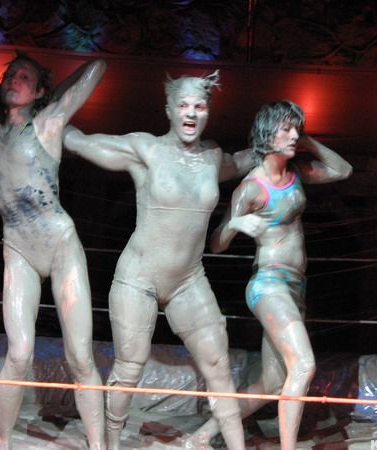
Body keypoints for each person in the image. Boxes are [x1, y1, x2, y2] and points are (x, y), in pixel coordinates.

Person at [62, 70, 255, 450]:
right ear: (168, 110)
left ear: (208, 112)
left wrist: (277, 143)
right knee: (129, 368)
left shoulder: (213, 157)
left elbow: (242, 161)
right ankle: (109, 446)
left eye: (199, 106)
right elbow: (80, 142)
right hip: (139, 278)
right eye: (183, 105)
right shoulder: (145, 149)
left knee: (218, 364)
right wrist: (47, 119)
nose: (191, 113)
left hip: (188, 280)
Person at [187, 100, 353, 450]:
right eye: (287, 129)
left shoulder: (297, 173)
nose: (294, 135)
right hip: (269, 285)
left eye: (297, 129)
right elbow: (216, 243)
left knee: (271, 384)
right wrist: (236, 223)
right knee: (303, 365)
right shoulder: (251, 188)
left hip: (295, 287)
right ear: (266, 134)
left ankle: (201, 436)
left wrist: (306, 140)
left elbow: (342, 170)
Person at [0, 51, 107, 450]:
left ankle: (99, 445)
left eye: (24, 77)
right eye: (10, 74)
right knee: (19, 354)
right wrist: (27, 84)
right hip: (18, 248)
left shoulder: (49, 122)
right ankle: (1, 441)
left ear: (39, 92)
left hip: (60, 247)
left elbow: (98, 67)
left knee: (81, 358)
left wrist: (48, 94)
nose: (13, 80)